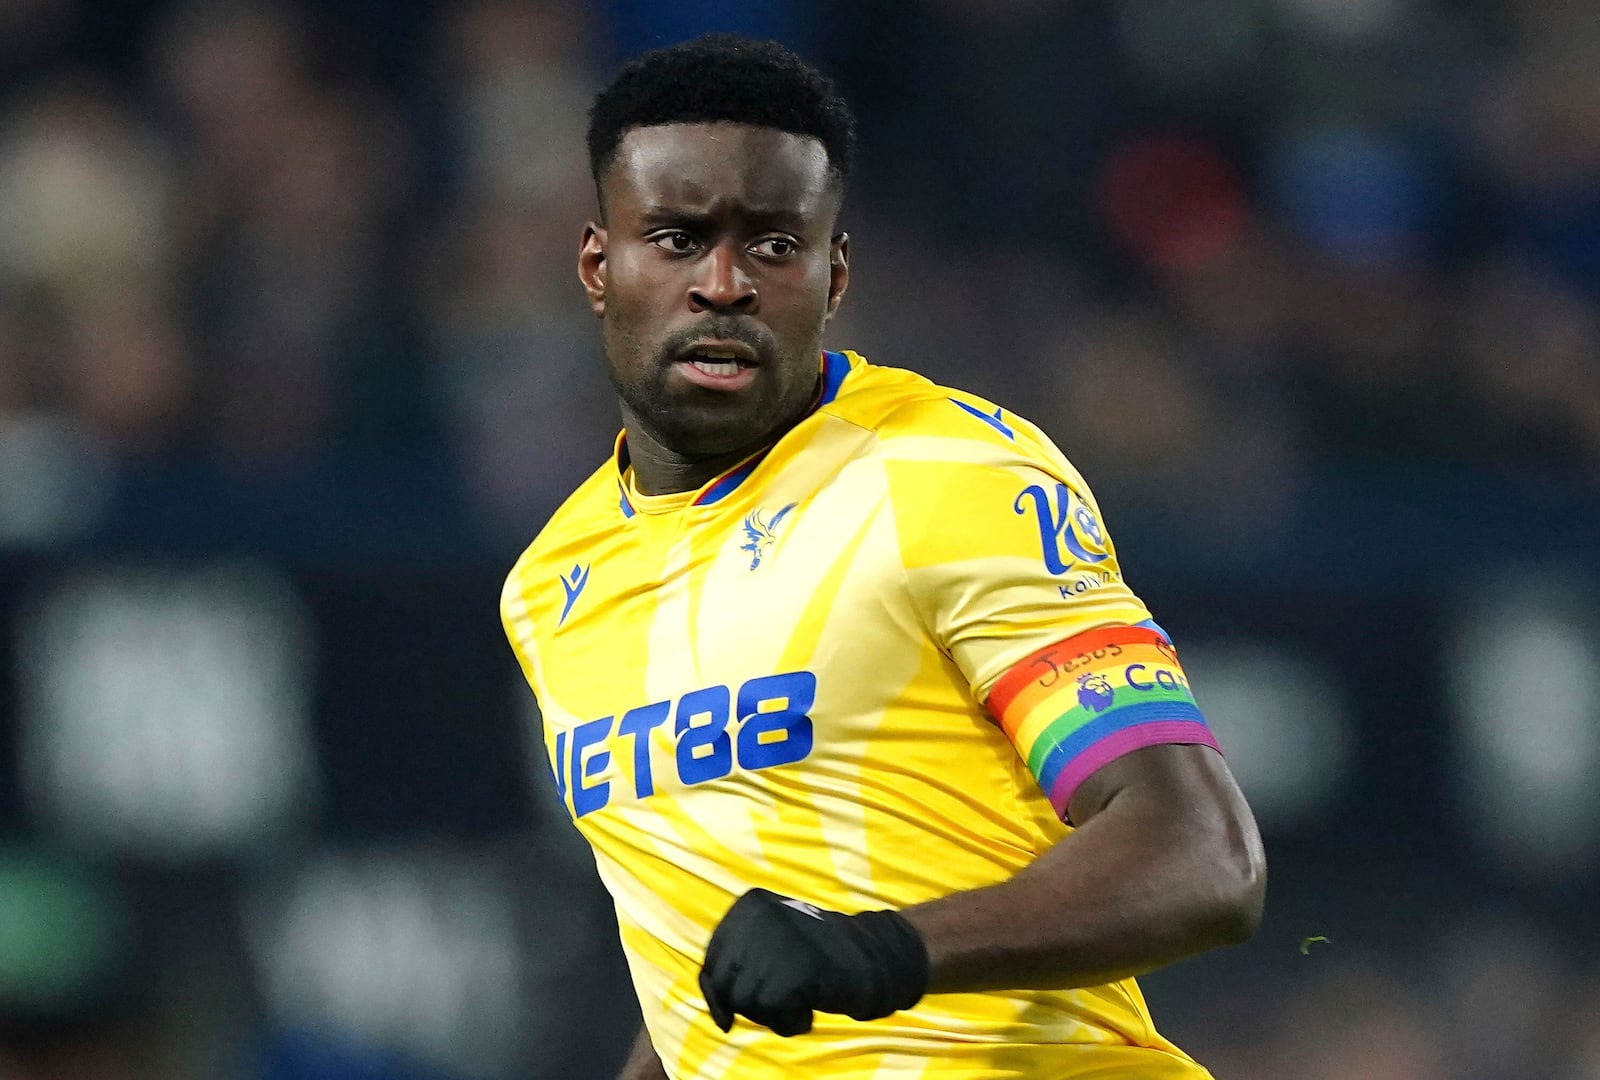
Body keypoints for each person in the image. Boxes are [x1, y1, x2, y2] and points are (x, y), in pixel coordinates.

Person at [501, 33, 1266, 1080]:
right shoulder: (551, 586)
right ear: (601, 265)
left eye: (773, 245)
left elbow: (1203, 858)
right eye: (678, 239)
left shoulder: (944, 474)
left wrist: (879, 953)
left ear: (834, 272)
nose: (723, 282)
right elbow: (701, 987)